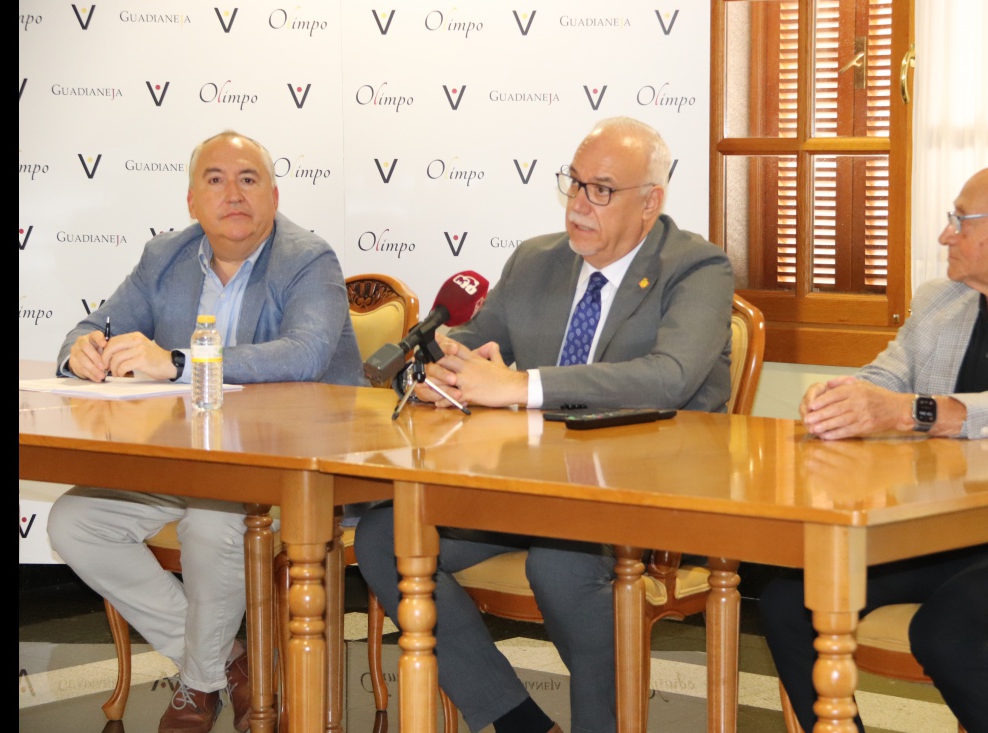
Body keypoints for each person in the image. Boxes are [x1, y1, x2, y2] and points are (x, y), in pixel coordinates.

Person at [355, 116, 735, 733]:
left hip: (644, 487)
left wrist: (521, 388)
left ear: (651, 202)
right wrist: (442, 375)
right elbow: (474, 344)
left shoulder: (696, 267)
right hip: (528, 485)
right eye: (575, 183)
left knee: (558, 563)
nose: (580, 204)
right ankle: (516, 721)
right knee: (384, 537)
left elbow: (670, 376)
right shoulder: (536, 261)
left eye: (602, 190)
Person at [760, 163, 988, 733]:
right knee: (786, 602)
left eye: (961, 219)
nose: (945, 234)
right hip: (939, 525)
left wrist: (915, 411)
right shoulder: (939, 301)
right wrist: (841, 398)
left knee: (944, 631)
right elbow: (882, 379)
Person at [47, 130, 365, 733]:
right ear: (192, 201)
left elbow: (305, 354)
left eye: (248, 179)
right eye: (215, 180)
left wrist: (179, 361)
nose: (233, 194)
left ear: (273, 194)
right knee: (75, 523)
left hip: (289, 470)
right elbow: (94, 323)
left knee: (215, 520)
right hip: (186, 461)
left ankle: (196, 687)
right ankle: (229, 664)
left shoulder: (308, 258)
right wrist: (80, 351)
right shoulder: (163, 256)